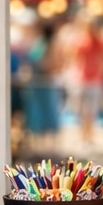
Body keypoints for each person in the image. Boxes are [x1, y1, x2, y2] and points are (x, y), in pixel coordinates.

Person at [69, 14, 103, 146]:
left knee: (91, 111)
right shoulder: (80, 40)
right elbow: (73, 56)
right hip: (82, 79)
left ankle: (89, 136)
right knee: (82, 110)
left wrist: (101, 67)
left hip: (95, 80)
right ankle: (83, 136)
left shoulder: (100, 41)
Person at [22, 21, 62, 151]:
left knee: (48, 114)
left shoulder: (49, 45)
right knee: (38, 114)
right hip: (37, 84)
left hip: (44, 84)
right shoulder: (40, 43)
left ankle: (49, 147)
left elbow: (53, 65)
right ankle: (39, 146)